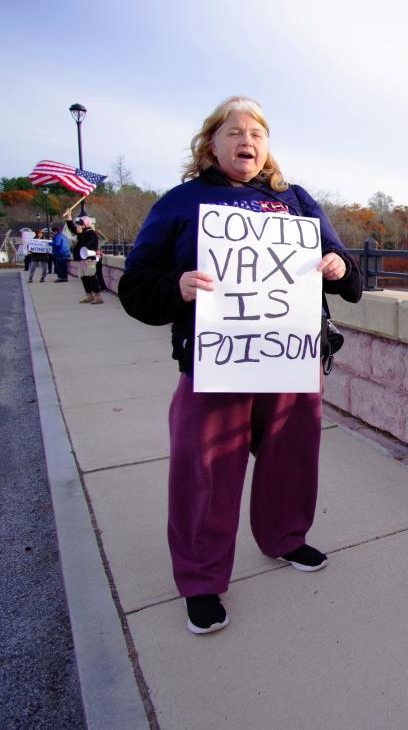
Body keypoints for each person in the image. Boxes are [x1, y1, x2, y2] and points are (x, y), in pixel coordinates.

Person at [118, 96, 361, 635]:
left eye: (256, 131)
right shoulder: (182, 202)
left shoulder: (294, 200)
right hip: (215, 363)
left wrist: (339, 264)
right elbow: (136, 287)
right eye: (233, 131)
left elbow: (350, 278)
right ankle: (202, 580)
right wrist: (177, 288)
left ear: (267, 146)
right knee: (205, 471)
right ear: (212, 143)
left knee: (291, 460)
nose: (245, 140)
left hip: (291, 359)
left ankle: (285, 538)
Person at [65, 212, 103, 304]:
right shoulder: (83, 232)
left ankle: (98, 297)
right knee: (84, 278)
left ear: (85, 224)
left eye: (81, 224)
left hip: (89, 259)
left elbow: (86, 245)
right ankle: (89, 295)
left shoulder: (91, 233)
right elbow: (72, 228)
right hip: (81, 259)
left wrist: (80, 234)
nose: (79, 226)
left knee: (91, 277)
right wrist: (69, 217)